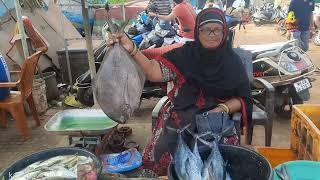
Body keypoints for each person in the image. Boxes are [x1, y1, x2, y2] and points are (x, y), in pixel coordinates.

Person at [107, 8, 252, 176]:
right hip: (180, 117)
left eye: (217, 29)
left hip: (216, 121)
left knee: (220, 169)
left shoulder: (232, 61)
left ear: (224, 31)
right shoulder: (184, 55)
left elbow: (243, 98)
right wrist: (131, 47)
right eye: (206, 29)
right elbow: (154, 71)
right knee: (165, 157)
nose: (212, 34)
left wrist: (223, 109)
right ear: (198, 31)